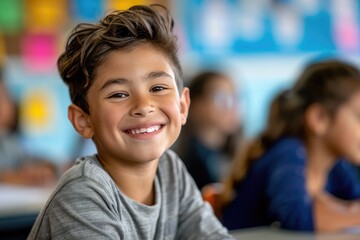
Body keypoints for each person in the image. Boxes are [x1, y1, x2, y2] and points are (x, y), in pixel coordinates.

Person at [28, 4, 234, 240]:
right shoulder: (82, 195)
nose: (143, 105)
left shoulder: (170, 170)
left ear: (182, 105)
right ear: (83, 120)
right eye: (119, 94)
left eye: (157, 88)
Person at [220, 59, 360, 232]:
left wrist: (342, 209)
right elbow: (296, 218)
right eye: (359, 116)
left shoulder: (337, 166)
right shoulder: (289, 152)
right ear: (319, 118)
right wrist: (346, 211)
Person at [173, 71, 242, 190]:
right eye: (221, 99)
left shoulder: (238, 157)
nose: (231, 107)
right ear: (192, 104)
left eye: (234, 98)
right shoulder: (184, 165)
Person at [0, 70, 57, 186]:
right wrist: (11, 177)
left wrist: (46, 167)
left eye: (4, 98)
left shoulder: (8, 141)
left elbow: (29, 159)